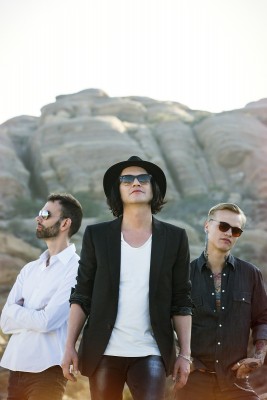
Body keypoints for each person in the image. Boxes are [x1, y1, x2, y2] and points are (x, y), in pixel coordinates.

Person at [61, 155, 192, 400]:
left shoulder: (175, 238)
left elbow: (181, 299)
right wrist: (69, 346)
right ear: (117, 191)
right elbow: (82, 294)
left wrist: (184, 354)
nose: (136, 183)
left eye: (143, 178)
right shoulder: (97, 235)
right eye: (126, 179)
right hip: (103, 351)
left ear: (154, 188)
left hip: (151, 350)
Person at [176, 202, 267, 400]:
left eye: (236, 231)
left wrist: (258, 358)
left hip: (236, 382)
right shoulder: (184, 276)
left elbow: (262, 320)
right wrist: (180, 356)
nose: (228, 233)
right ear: (207, 226)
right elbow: (164, 322)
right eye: (223, 226)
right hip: (193, 383)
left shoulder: (251, 274)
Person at [0, 193, 83, 400]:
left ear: (65, 223)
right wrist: (30, 315)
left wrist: (16, 311)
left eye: (45, 214)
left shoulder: (76, 268)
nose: (38, 218)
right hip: (16, 367)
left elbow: (48, 322)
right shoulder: (30, 269)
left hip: (48, 370)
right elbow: (4, 322)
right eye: (39, 213)